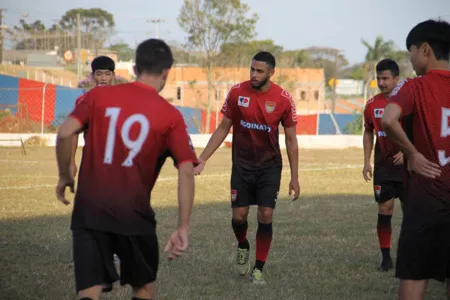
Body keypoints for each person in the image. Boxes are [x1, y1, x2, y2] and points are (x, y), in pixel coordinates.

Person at [55, 38, 197, 300]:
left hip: (89, 212)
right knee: (143, 288)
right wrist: (182, 227)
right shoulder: (170, 116)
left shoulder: (97, 96)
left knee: (89, 290)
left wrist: (65, 175)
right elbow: (187, 171)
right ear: (167, 72)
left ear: (134, 68)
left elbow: (65, 134)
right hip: (134, 216)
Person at [194, 51, 300, 284]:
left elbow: (291, 140)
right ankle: (243, 245)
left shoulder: (283, 99)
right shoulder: (237, 92)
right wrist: (203, 158)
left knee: (265, 214)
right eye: (252, 69)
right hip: (241, 165)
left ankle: (259, 268)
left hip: (269, 167)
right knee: (239, 217)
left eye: (259, 71)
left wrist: (294, 177)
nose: (254, 74)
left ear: (271, 72)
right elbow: (223, 127)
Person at [381, 19, 450, 300]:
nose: (409, 59)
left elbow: (388, 120)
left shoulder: (415, 86)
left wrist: (412, 153)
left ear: (424, 50)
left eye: (410, 51)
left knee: (414, 274)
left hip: (427, 199)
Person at [362, 58, 404, 272]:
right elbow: (368, 132)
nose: (381, 82)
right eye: (378, 78)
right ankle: (386, 258)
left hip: (408, 167)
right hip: (383, 166)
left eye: (385, 78)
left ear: (396, 79)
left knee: (412, 212)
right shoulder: (372, 104)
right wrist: (366, 161)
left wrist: (408, 153)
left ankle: (409, 255)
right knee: (384, 209)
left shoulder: (409, 101)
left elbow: (420, 131)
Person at [71, 55, 116, 178]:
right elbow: (74, 132)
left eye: (107, 74)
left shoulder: (124, 100)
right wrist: (71, 162)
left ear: (113, 75)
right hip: (92, 159)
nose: (103, 78)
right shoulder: (83, 101)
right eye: (99, 74)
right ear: (93, 76)